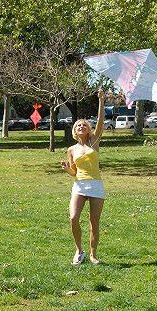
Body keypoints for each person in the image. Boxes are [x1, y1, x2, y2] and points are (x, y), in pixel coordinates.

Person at [60, 89, 106, 265]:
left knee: (94, 222)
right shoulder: (71, 150)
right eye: (78, 125)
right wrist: (67, 169)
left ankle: (93, 254)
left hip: (96, 185)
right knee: (73, 217)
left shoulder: (94, 142)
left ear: (88, 129)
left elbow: (100, 122)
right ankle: (79, 250)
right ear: (75, 130)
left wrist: (101, 100)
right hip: (79, 186)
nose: (81, 126)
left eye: (84, 125)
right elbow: (74, 172)